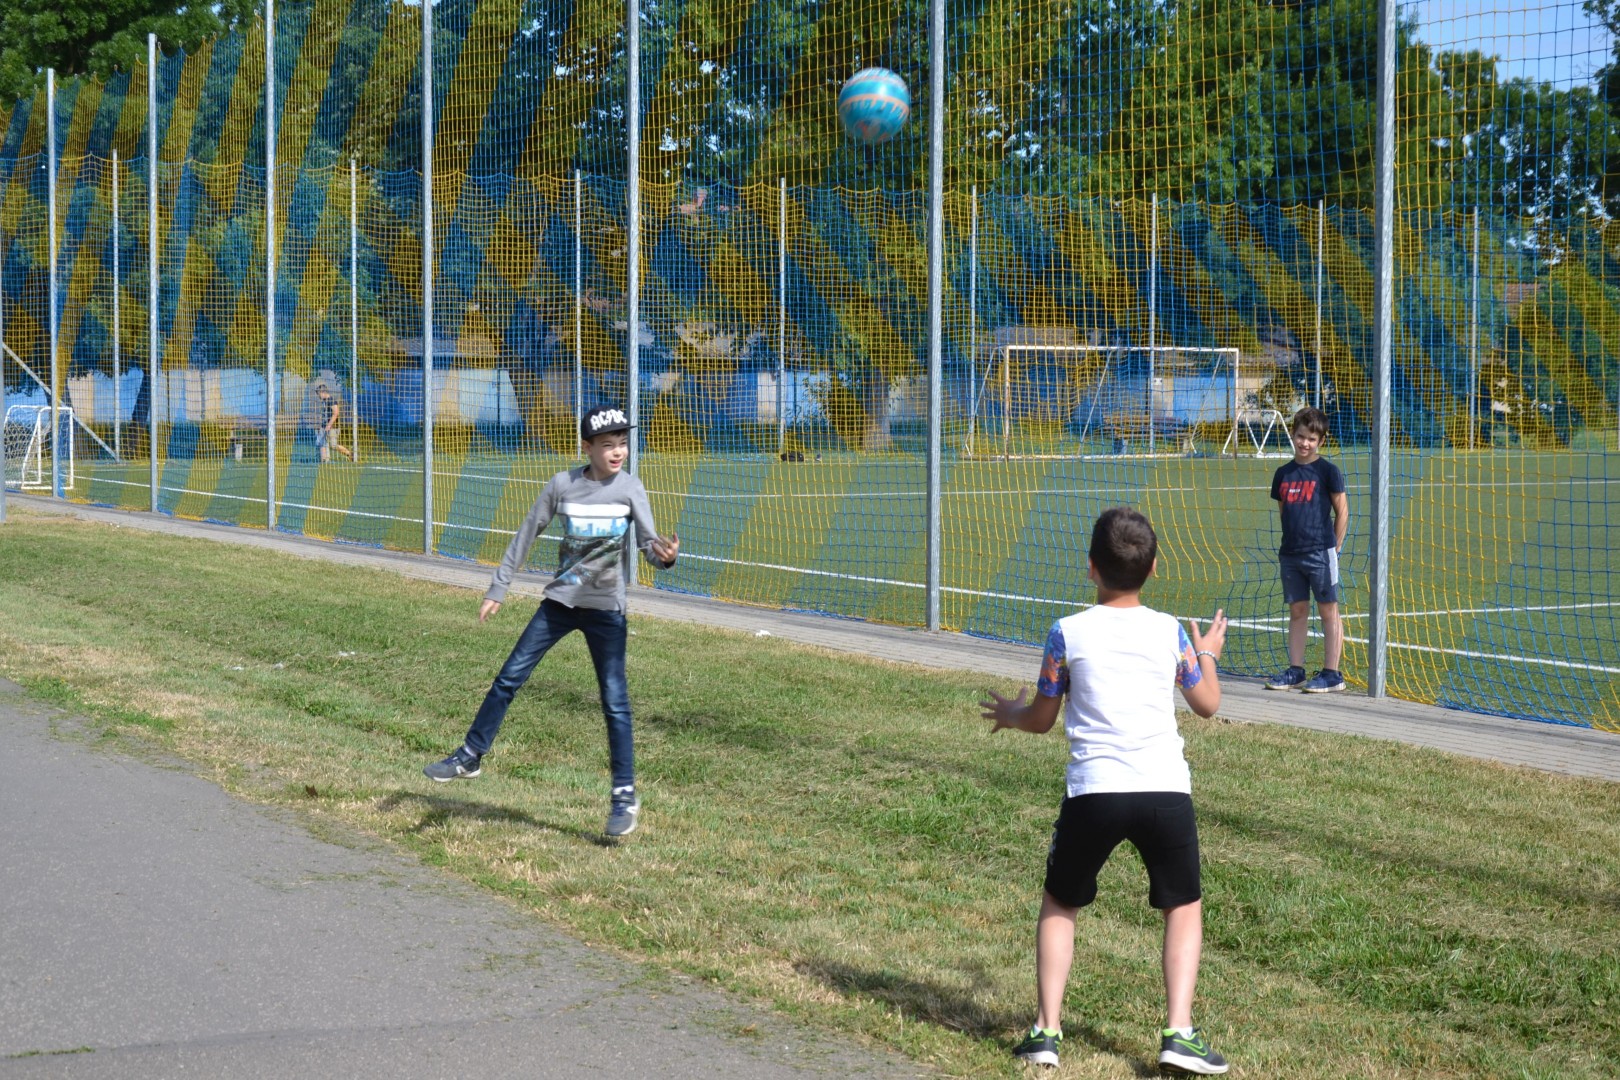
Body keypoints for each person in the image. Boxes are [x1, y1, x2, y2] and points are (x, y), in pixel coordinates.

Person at [980, 507, 1230, 1075]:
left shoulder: (1065, 633)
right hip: (1165, 791)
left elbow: (1043, 718)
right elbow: (1208, 704)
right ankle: (1179, 1033)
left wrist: (1012, 714)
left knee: (1061, 903)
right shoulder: (1170, 631)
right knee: (1183, 908)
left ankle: (1046, 1032)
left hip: (1093, 793)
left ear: (1090, 569)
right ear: (1155, 567)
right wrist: (1208, 652)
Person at [423, 405, 679, 837]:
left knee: (615, 703)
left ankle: (624, 795)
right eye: (607, 444)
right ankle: (469, 755)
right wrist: (498, 588)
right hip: (559, 605)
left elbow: (649, 548)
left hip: (606, 614)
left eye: (622, 443)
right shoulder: (563, 485)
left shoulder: (632, 489)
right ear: (587, 447)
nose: (617, 451)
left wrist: (666, 557)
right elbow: (526, 534)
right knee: (509, 678)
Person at [1265, 406, 1348, 693]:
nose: (1305, 443)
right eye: (1301, 436)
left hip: (1321, 553)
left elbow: (1343, 511)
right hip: (1290, 554)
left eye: (1312, 439)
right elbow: (1283, 511)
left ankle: (1332, 673)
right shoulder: (1283, 474)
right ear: (1293, 434)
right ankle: (1296, 670)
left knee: (1329, 611)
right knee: (1297, 611)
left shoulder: (1328, 471)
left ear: (1320, 441)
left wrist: (1334, 548)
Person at [313, 384, 353, 463]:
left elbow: (336, 413)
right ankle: (324, 460)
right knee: (322, 443)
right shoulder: (324, 401)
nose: (318, 395)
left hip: (333, 427)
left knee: (333, 445)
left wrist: (329, 425)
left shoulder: (331, 400)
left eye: (318, 393)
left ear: (323, 392)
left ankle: (349, 454)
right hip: (325, 426)